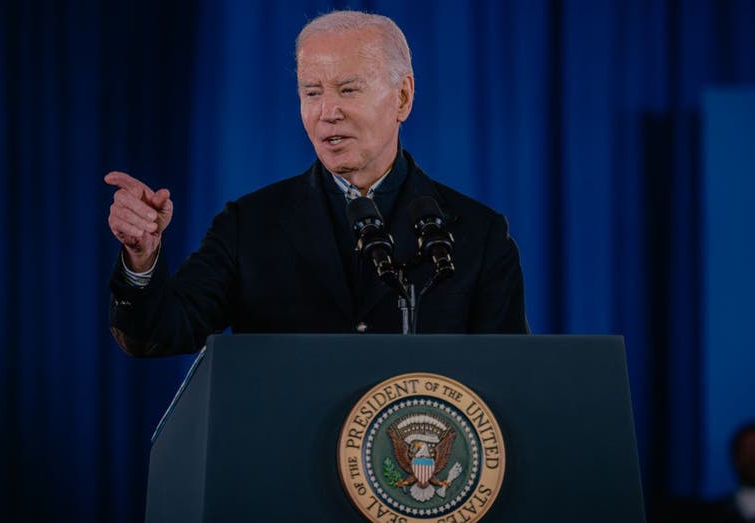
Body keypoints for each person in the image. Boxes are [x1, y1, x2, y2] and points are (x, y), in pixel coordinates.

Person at [105, 10, 528, 357]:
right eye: (311, 93)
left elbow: (510, 383)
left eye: (347, 90)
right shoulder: (249, 225)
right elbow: (158, 334)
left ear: (402, 97)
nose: (328, 112)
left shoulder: (478, 234)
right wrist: (142, 258)